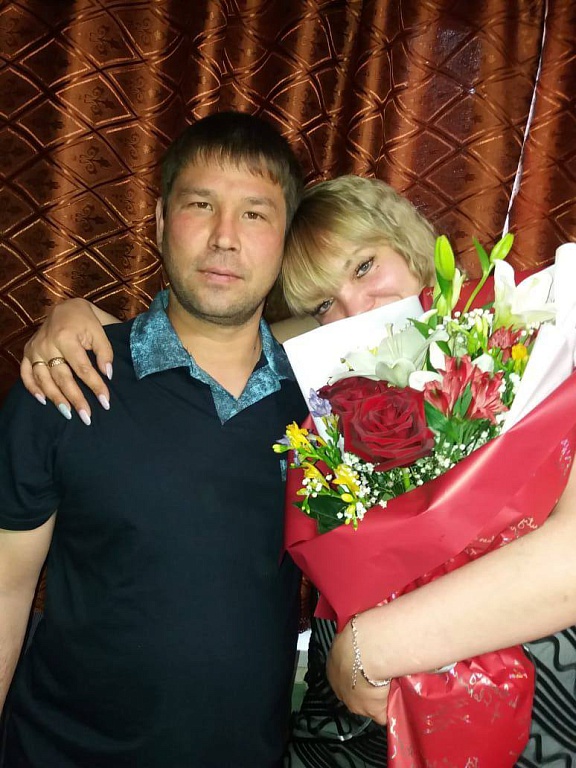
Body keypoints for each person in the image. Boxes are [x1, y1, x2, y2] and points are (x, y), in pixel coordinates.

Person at [18, 177, 576, 766]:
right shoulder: (332, 377)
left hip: (534, 700)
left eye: (365, 266)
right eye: (322, 304)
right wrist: (80, 320)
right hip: (344, 733)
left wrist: (367, 649)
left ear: (411, 245)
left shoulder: (537, 336)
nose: (356, 309)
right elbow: (211, 350)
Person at [0, 110, 310, 768]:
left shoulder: (322, 403)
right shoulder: (67, 380)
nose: (225, 237)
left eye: (255, 213)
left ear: (286, 240)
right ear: (162, 222)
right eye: (201, 204)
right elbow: (4, 590)